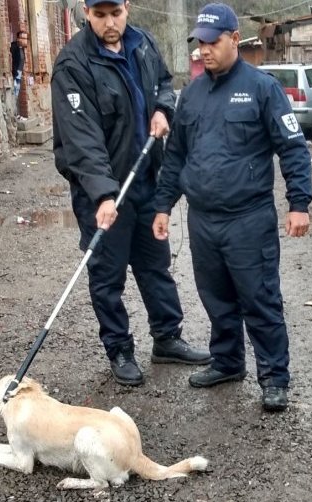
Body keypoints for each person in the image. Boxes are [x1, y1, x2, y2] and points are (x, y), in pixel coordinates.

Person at [152, 3, 312, 412]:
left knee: (259, 299)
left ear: (234, 39)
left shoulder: (263, 88)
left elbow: (292, 148)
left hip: (249, 218)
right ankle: (227, 362)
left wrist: (299, 203)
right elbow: (176, 157)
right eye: (199, 44)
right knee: (216, 297)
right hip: (204, 219)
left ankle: (274, 377)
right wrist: (162, 206)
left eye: (213, 42)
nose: (204, 51)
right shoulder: (192, 95)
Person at [50, 0, 211, 387]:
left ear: (127, 7)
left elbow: (164, 83)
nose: (109, 23)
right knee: (107, 275)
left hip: (146, 181)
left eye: (116, 14)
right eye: (100, 15)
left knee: (154, 265)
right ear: (86, 13)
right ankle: (119, 348)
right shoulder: (73, 65)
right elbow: (81, 141)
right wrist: (105, 194)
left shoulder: (143, 44)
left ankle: (167, 338)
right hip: (101, 193)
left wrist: (161, 109)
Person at [10, 30, 27, 118]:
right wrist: (15, 73)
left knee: (17, 92)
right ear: (18, 38)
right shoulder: (13, 47)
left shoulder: (22, 48)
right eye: (22, 38)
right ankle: (15, 114)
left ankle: (17, 113)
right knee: (15, 93)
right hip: (15, 74)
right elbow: (12, 61)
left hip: (19, 74)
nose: (24, 40)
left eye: (25, 38)